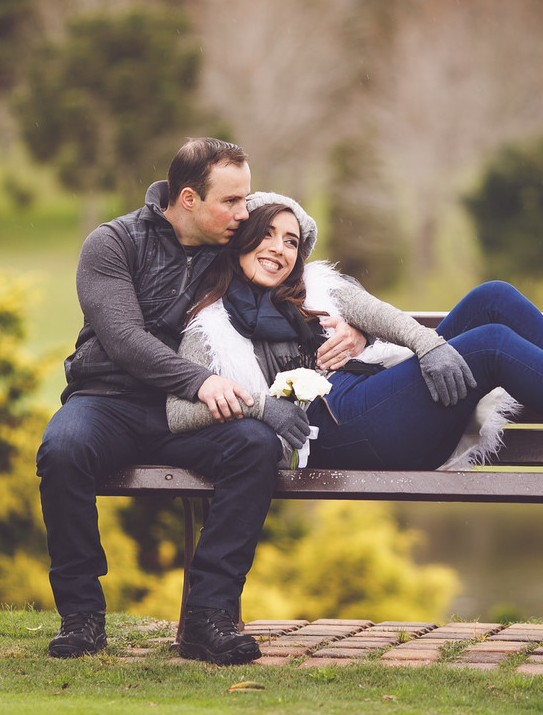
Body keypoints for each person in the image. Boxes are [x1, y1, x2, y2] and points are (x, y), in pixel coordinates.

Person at [36, 140, 366, 665]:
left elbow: (300, 270)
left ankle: (207, 619)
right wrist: (200, 381)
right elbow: (123, 338)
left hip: (191, 415)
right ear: (188, 199)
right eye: (231, 201)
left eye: (246, 199)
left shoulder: (234, 245)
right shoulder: (114, 243)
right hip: (109, 401)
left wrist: (357, 332)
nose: (245, 212)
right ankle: (81, 617)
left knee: (255, 446)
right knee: (62, 448)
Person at [166, 191, 543, 481]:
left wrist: (384, 341)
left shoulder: (318, 290)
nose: (280, 249)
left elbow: (388, 317)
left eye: (291, 241)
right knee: (489, 344)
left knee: (492, 298)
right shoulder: (210, 325)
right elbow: (177, 413)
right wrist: (261, 405)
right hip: (333, 428)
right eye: (266, 235)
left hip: (375, 395)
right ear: (240, 242)